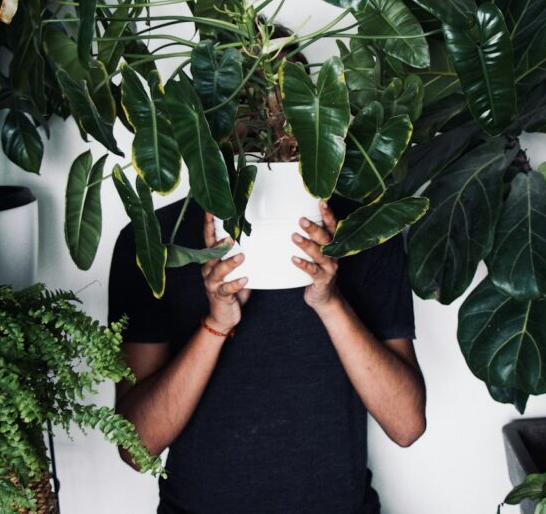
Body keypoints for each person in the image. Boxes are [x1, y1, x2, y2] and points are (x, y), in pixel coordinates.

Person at [108, 195, 426, 514]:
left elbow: (406, 425)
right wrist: (217, 324)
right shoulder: (154, 238)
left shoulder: (368, 229)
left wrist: (330, 302)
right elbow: (136, 448)